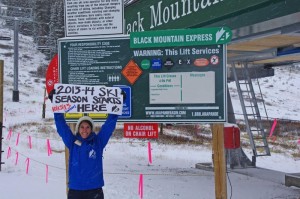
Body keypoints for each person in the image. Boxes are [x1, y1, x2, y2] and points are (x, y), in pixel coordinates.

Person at [48, 89, 125, 199]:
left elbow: (109, 125)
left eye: (87, 127)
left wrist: (118, 102)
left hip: (94, 190)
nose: (85, 130)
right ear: (78, 129)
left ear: (91, 129)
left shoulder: (98, 142)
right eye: (82, 127)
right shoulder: (72, 142)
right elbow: (61, 126)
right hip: (75, 190)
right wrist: (55, 102)